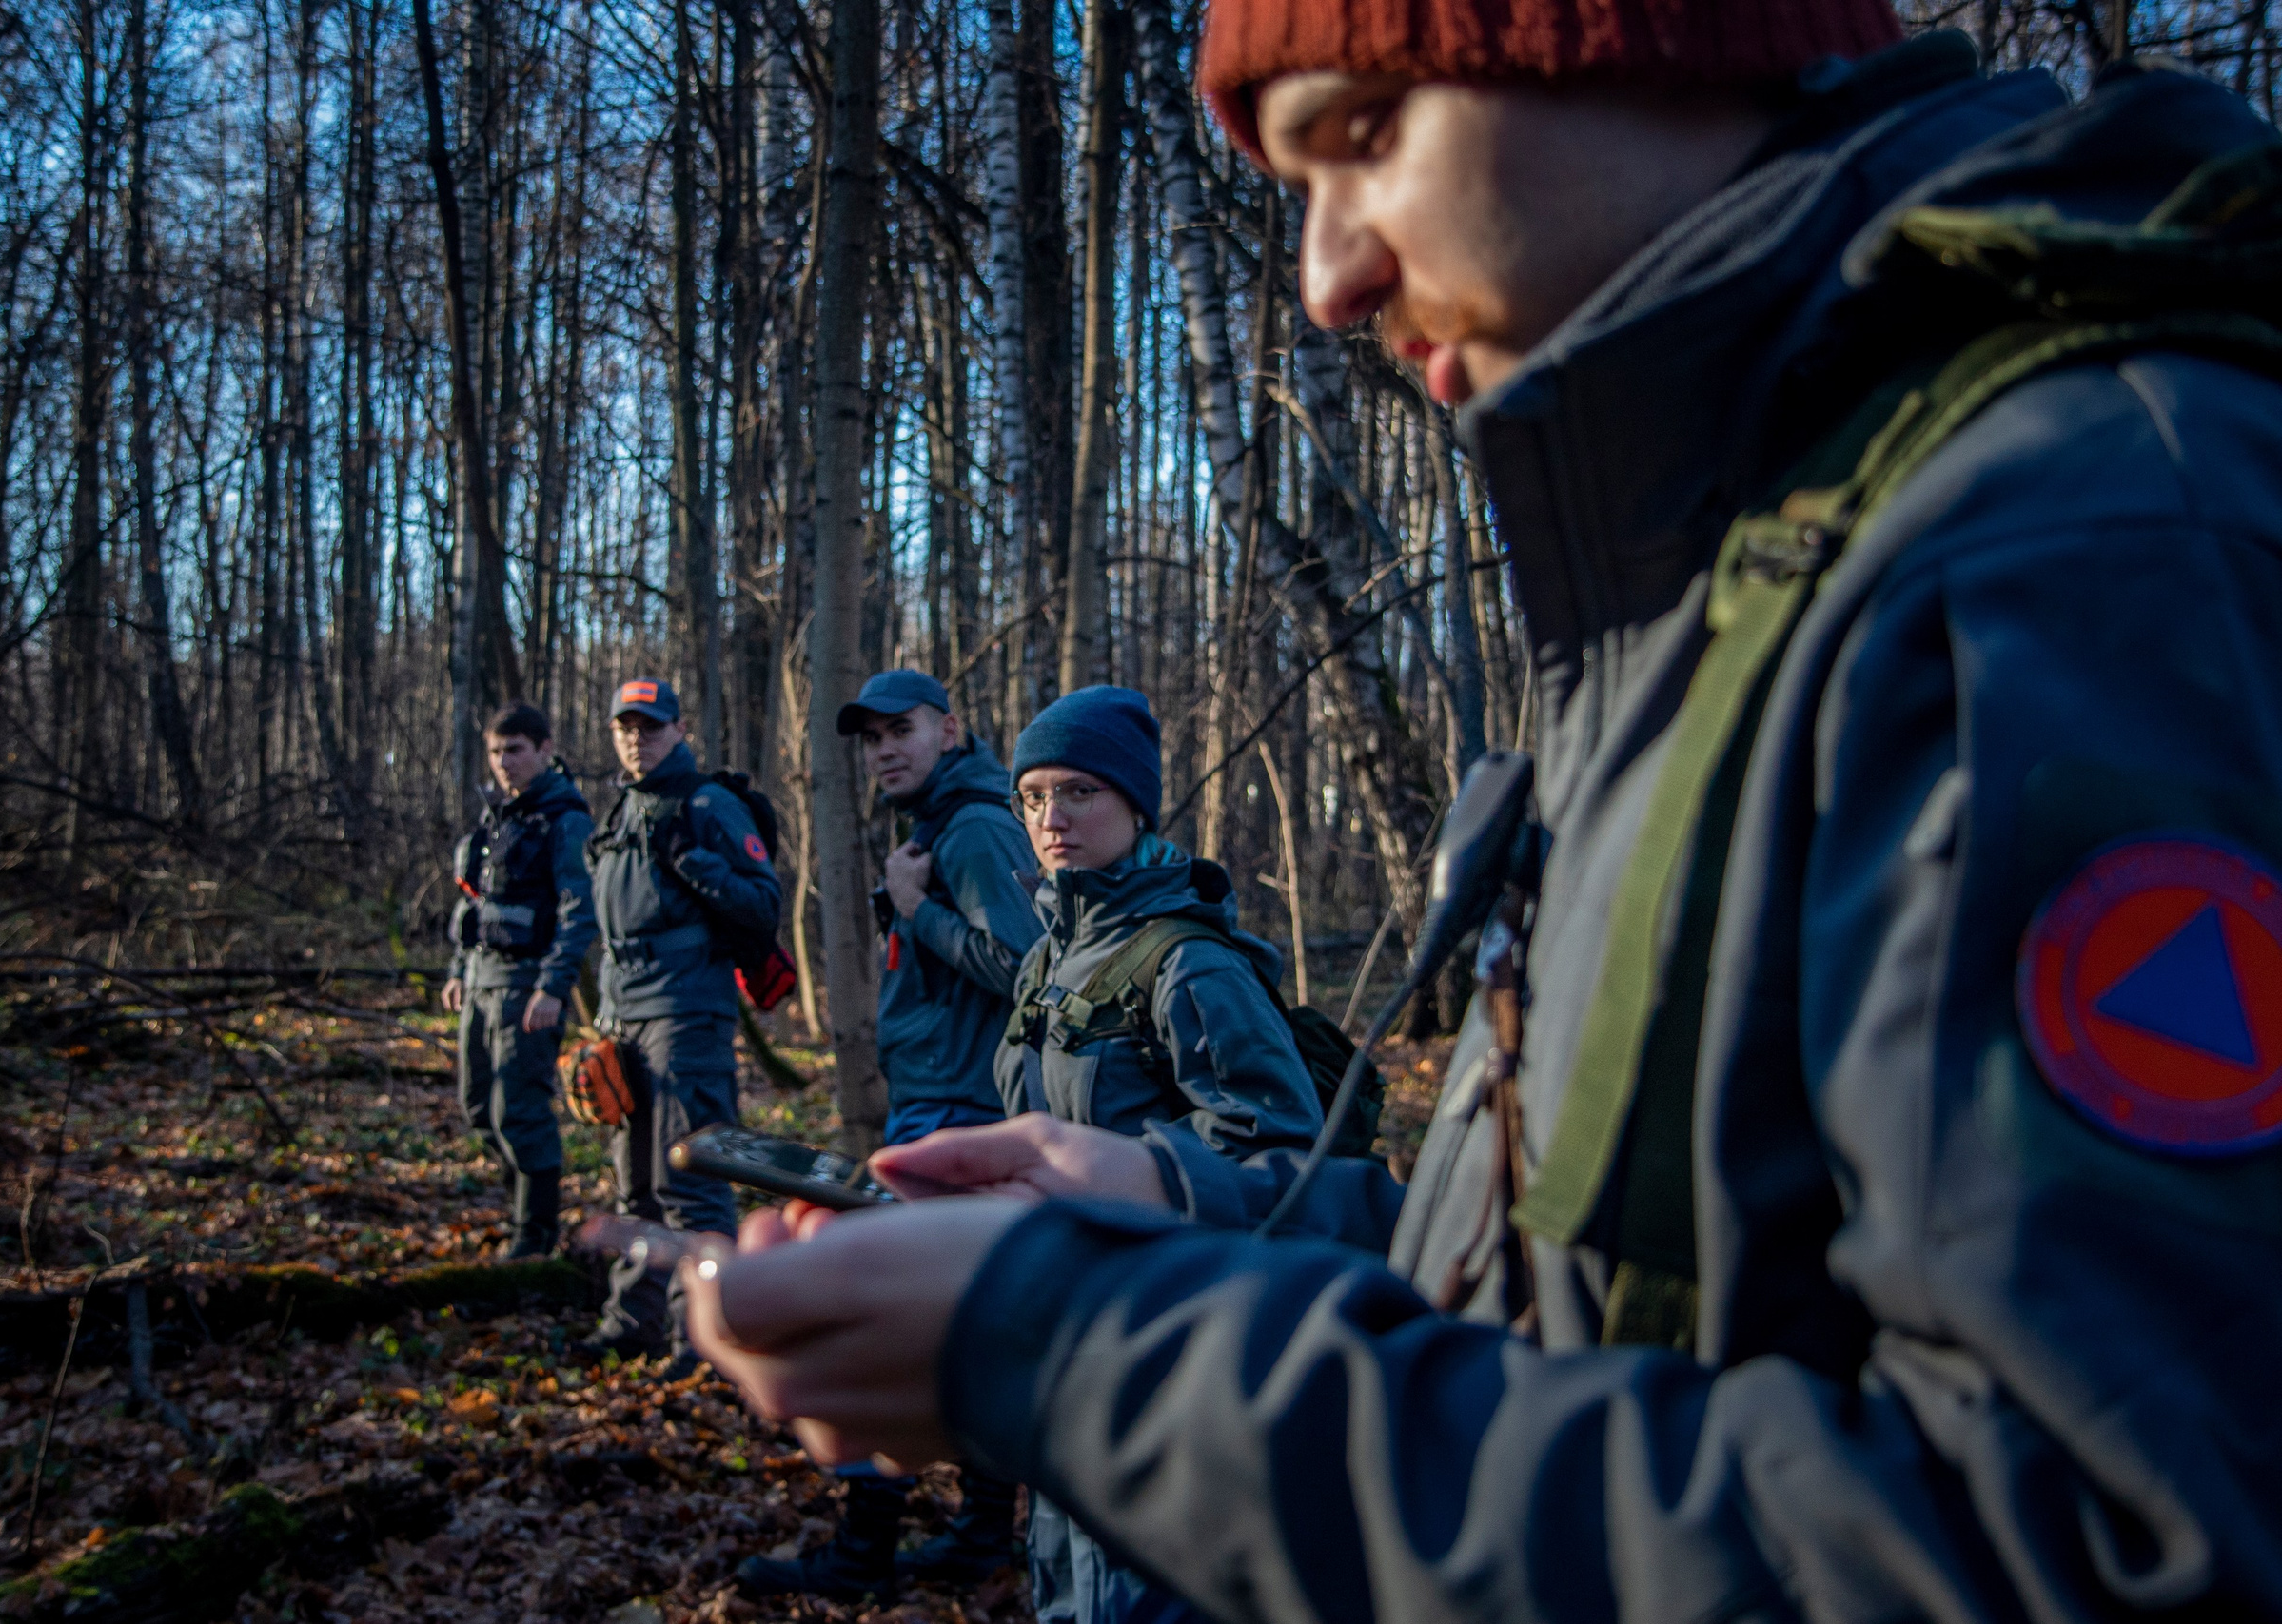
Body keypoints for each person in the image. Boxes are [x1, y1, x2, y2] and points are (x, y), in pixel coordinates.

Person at [679, 5, 2282, 1622]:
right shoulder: (1727, 576)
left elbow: (2106, 1545)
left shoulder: (2082, 544)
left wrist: (1099, 1364)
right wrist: (1175, 1206)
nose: (1327, 275)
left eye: (1365, 134)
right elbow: (1602, 1288)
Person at [1005, 685, 1328, 1624]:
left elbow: (1278, 1149)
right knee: (1063, 1571)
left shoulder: (1189, 962)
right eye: (1031, 797)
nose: (1050, 818)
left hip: (1160, 1323)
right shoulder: (1049, 955)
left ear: (1133, 803)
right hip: (1058, 1308)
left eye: (1076, 792)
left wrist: (1120, 1182)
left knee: (1131, 1585)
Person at [738, 669, 1044, 1602]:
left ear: (949, 727)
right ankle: (981, 1532)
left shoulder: (980, 824)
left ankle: (867, 1550)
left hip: (963, 1118)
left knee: (871, 1316)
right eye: (871, 739)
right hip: (936, 1108)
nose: (885, 751)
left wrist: (918, 912)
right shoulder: (934, 827)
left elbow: (1022, 967)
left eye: (901, 730)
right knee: (970, 1329)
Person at [581, 677, 781, 1364]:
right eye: (626, 728)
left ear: (679, 728)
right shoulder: (619, 812)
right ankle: (631, 1319)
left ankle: (702, 1334)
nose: (638, 739)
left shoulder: (708, 804)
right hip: (625, 1011)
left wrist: (693, 863)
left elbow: (761, 903)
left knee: (688, 1175)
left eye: (651, 726)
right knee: (633, 1179)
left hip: (687, 1011)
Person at [441, 701, 597, 1258]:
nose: (505, 762)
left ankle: (535, 1236)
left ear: (544, 751)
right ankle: (519, 1216)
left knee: (520, 1110)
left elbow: (581, 909)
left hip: (527, 986)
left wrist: (553, 985)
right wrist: (461, 969)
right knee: (479, 1107)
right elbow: (475, 902)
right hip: (481, 983)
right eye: (496, 751)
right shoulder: (496, 818)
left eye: (516, 750)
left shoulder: (565, 819)